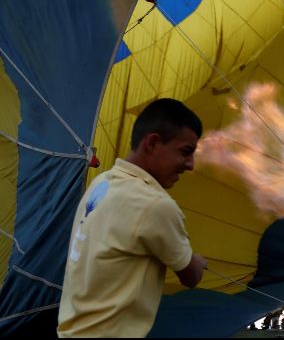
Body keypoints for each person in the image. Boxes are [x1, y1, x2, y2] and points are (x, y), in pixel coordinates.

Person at [57, 98, 207, 337]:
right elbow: (191, 276)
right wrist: (197, 261)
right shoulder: (155, 204)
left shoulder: (101, 183)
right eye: (185, 152)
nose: (190, 165)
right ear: (153, 143)